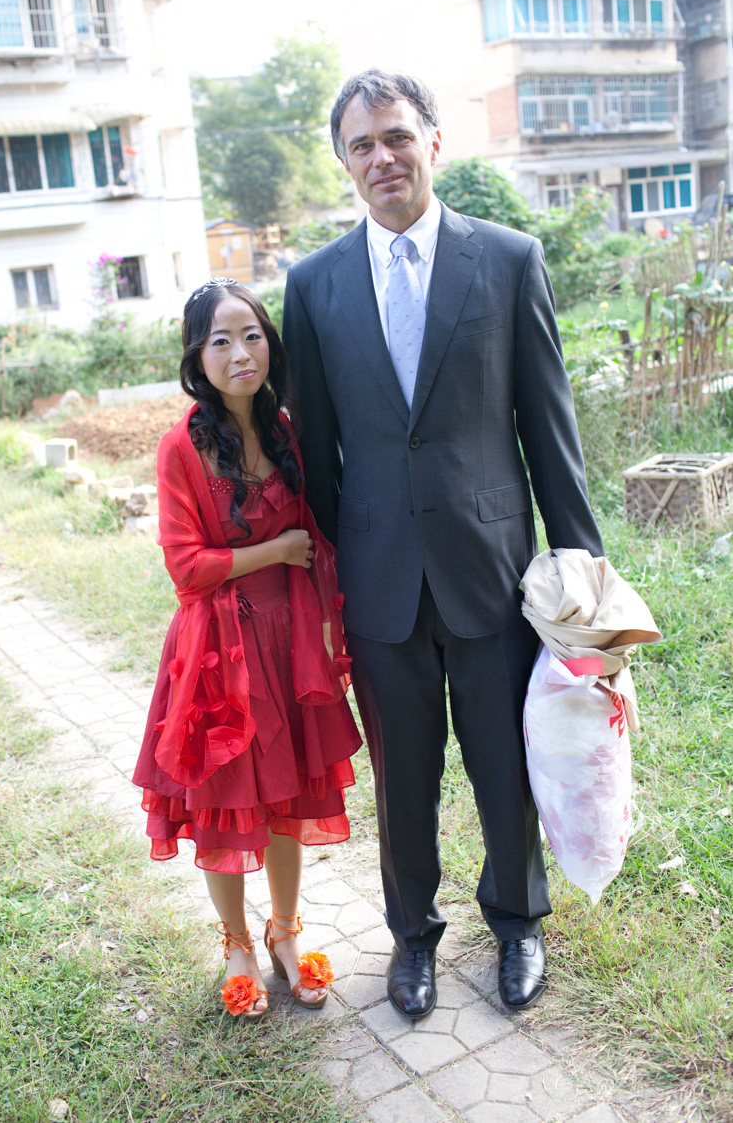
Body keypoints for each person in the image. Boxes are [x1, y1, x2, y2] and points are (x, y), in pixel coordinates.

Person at [282, 70, 604, 1020]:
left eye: (395, 136)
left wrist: (581, 568)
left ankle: (517, 921)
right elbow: (319, 452)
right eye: (361, 145)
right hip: (379, 577)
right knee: (404, 777)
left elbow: (548, 426)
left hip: (491, 570)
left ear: (431, 141)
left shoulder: (506, 259)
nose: (381, 157)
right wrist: (331, 581)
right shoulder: (313, 284)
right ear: (344, 164)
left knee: (505, 761)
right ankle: (411, 936)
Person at [133, 277, 361, 1018]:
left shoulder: (287, 430)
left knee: (287, 797)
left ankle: (284, 930)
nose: (241, 353)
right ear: (197, 358)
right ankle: (236, 943)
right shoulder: (182, 445)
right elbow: (185, 567)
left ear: (271, 344)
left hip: (287, 642)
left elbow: (322, 532)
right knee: (226, 804)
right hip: (217, 649)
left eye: (252, 335)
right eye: (221, 340)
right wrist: (276, 550)